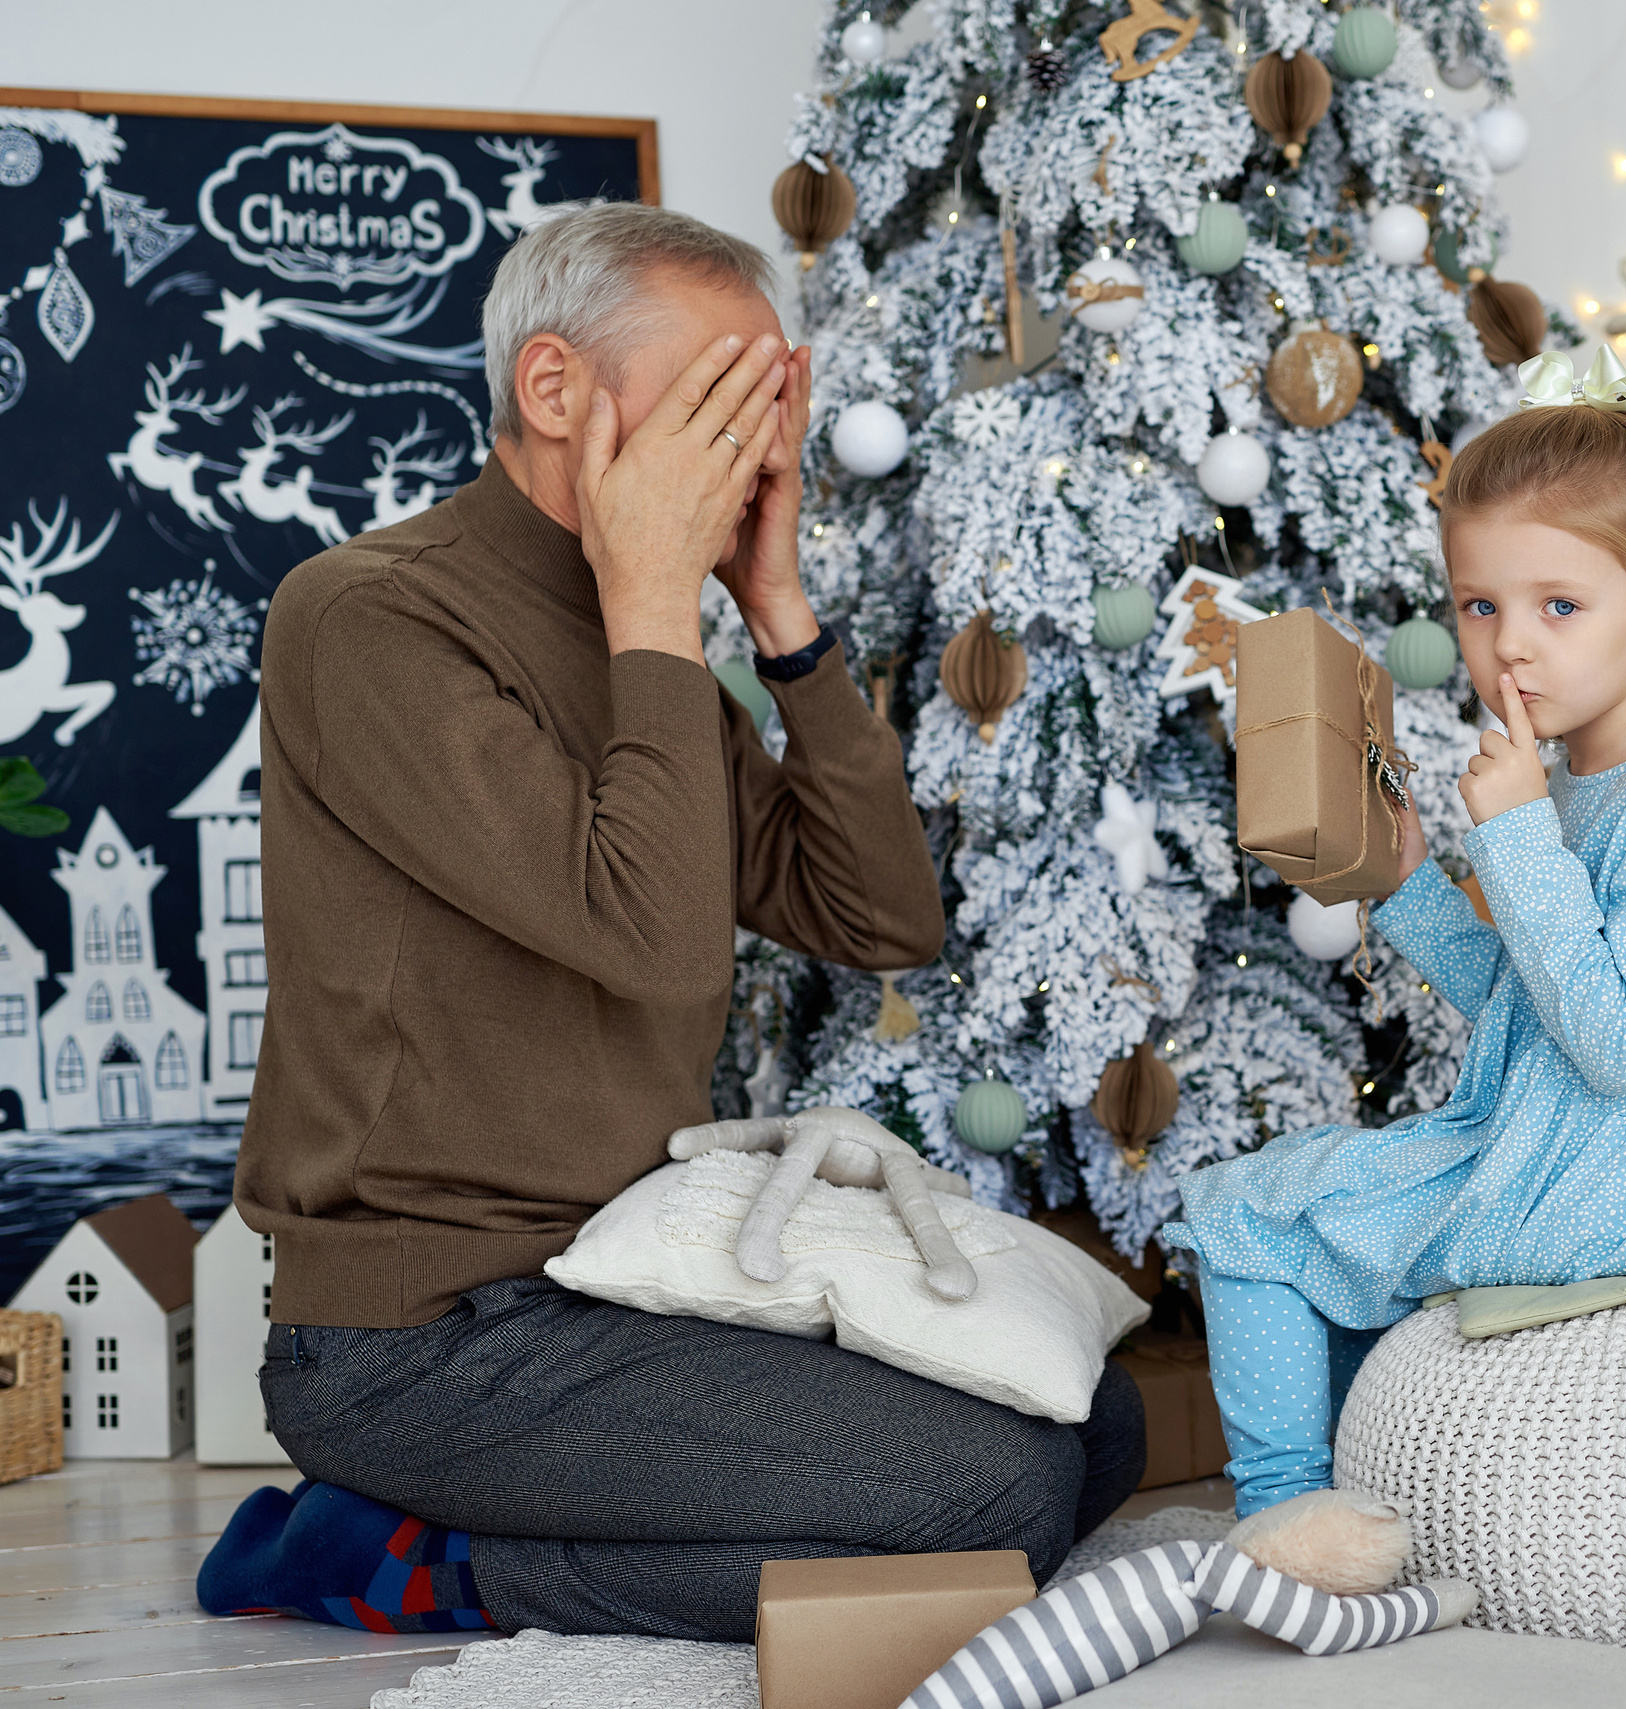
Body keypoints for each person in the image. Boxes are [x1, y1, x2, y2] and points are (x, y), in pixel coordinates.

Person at [195, 203, 1143, 1644]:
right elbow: (654, 938)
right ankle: (392, 1560)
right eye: (720, 395)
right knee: (995, 1491)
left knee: (1100, 1423)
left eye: (772, 400)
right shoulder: (365, 619)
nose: (761, 443)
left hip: (638, 1276)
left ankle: (522, 1531)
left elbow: (881, 915)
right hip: (425, 1337)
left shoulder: (648, 660)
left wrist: (779, 619)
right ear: (557, 389)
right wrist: (651, 597)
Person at [1162, 361, 1626, 1538]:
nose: (1509, 649)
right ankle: (1351, 1496)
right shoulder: (1596, 765)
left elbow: (1618, 1043)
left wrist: (1521, 832)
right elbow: (1538, 1004)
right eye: (1479, 606)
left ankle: (1286, 1519)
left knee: (1250, 1212)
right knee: (1315, 1199)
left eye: (1558, 606)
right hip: (1581, 1146)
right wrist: (1407, 882)